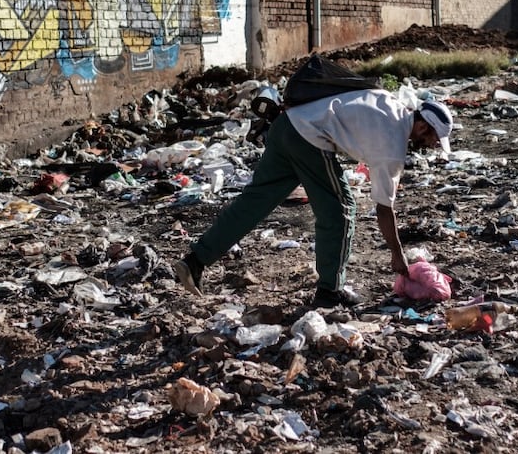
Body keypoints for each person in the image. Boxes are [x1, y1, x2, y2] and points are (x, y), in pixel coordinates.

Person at [173, 91, 453, 308]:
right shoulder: (392, 144)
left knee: (254, 202)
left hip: (285, 126)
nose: (430, 146)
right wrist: (396, 253)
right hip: (309, 139)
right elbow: (383, 208)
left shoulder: (388, 102)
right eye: (432, 140)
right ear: (423, 127)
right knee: (341, 209)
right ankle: (331, 290)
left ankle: (196, 261)